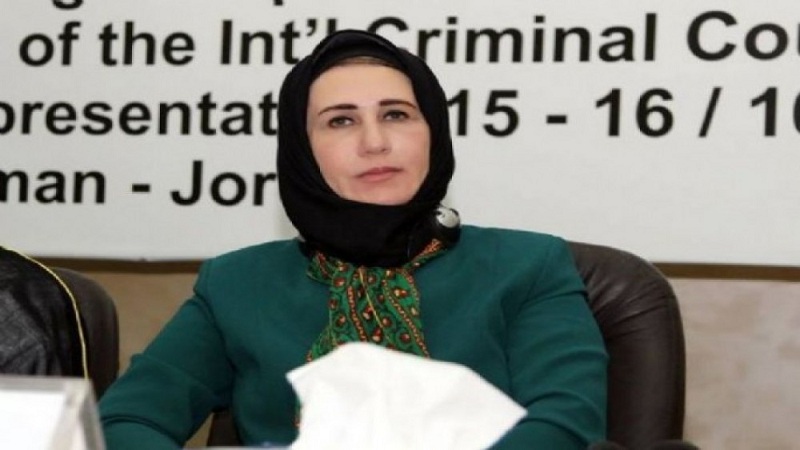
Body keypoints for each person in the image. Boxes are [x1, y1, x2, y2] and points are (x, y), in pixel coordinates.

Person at [99, 29, 608, 449]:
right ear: (303, 151)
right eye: (340, 121)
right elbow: (126, 421)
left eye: (396, 114)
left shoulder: (528, 265)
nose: (375, 142)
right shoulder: (236, 283)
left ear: (433, 131)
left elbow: (565, 421)